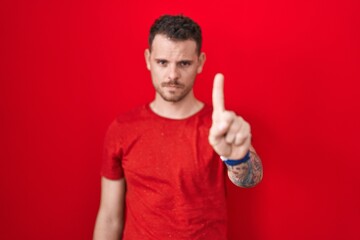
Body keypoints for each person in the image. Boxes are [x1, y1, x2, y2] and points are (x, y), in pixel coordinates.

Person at [93, 14, 263, 240]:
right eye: (163, 62)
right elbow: (109, 218)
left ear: (200, 62)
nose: (172, 75)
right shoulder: (122, 128)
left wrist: (237, 159)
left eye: (184, 63)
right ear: (148, 59)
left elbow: (251, 179)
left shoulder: (221, 127)